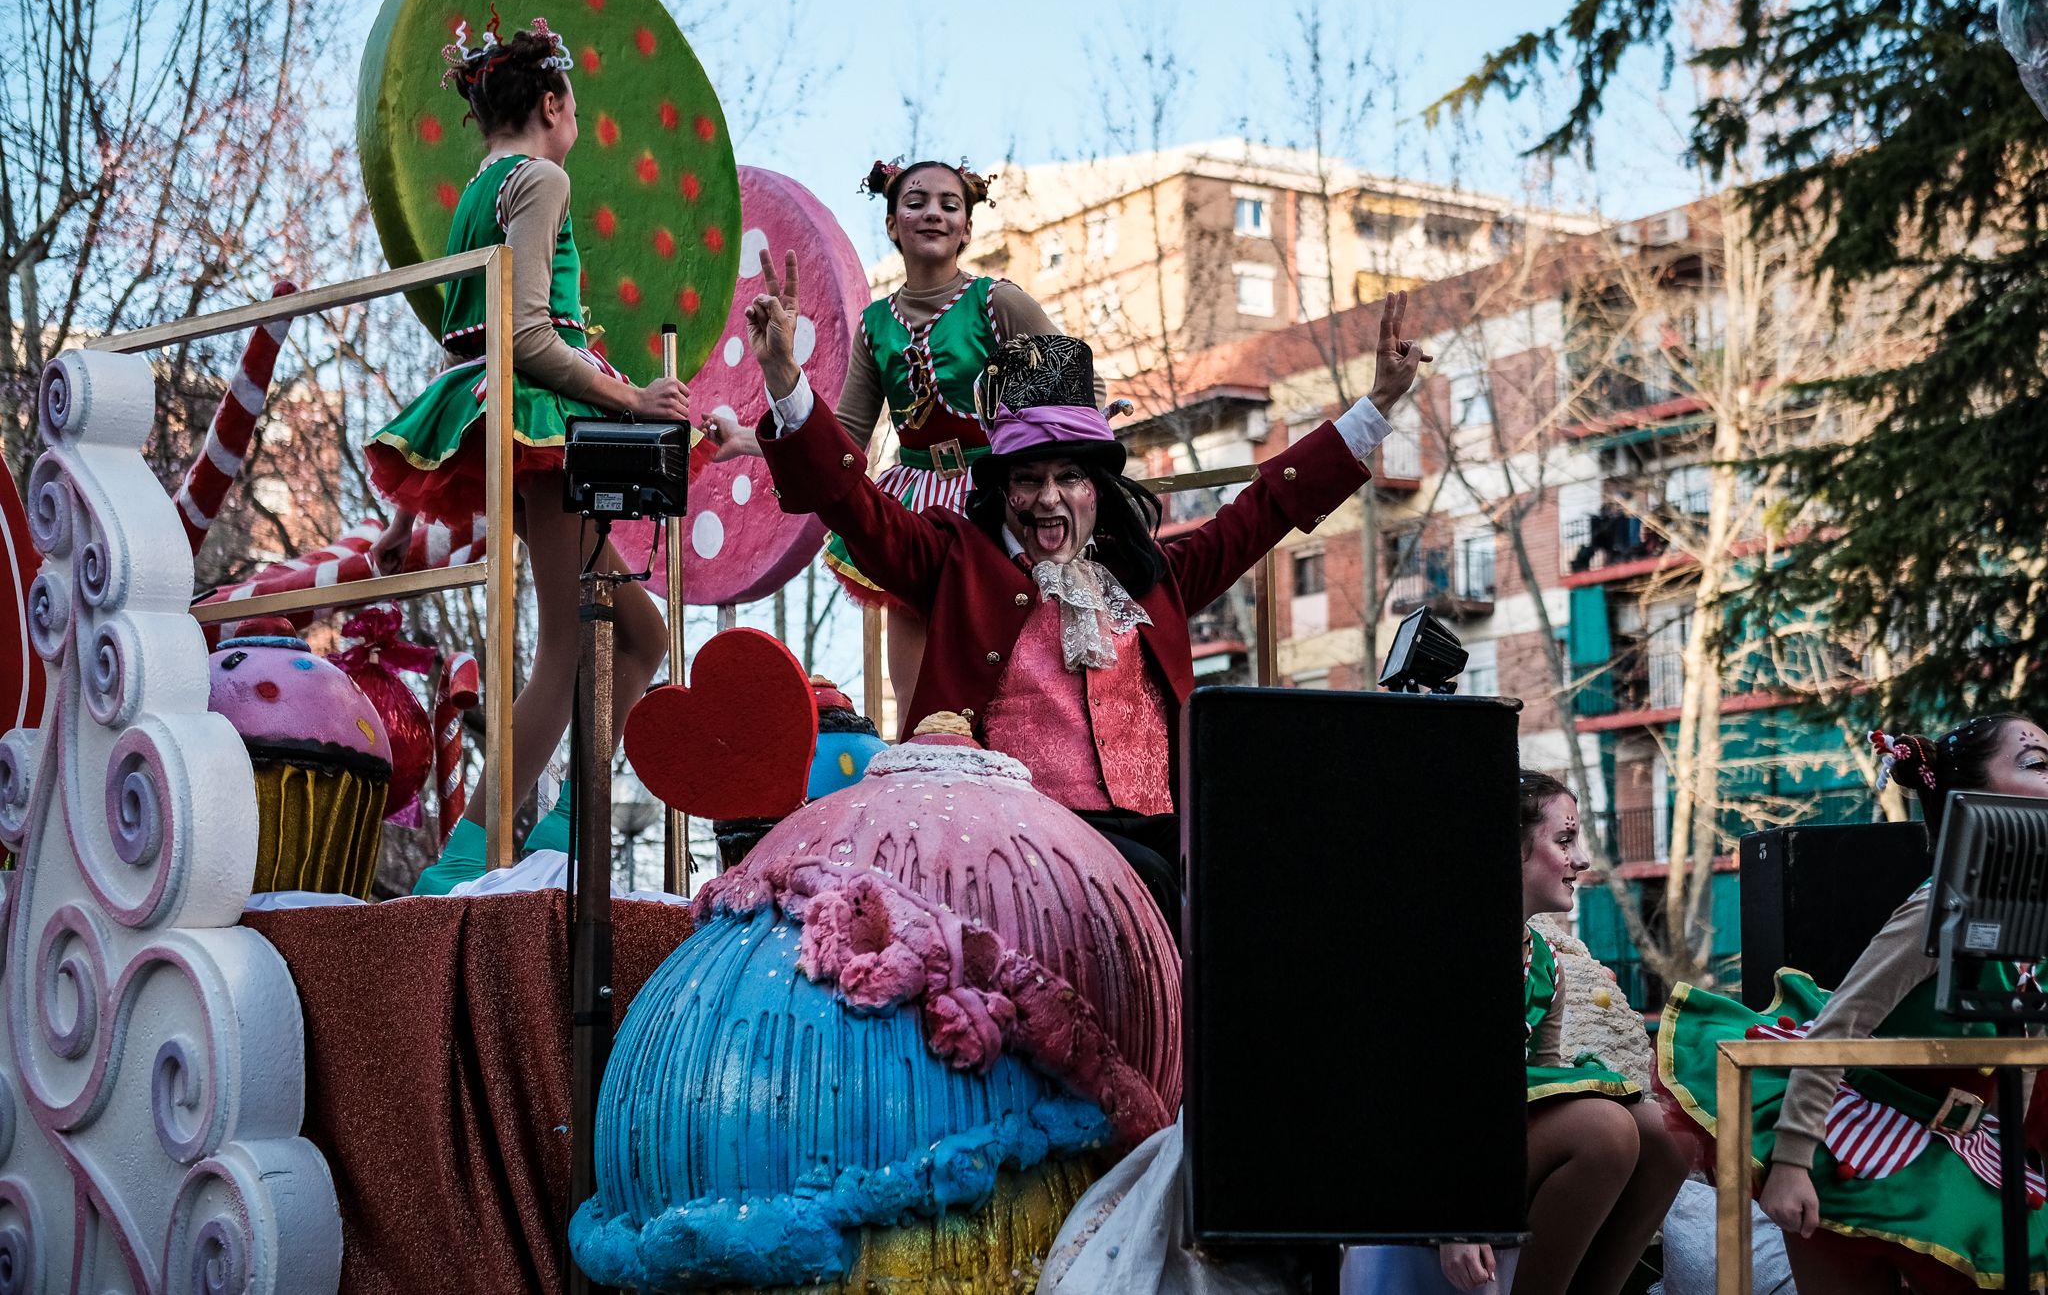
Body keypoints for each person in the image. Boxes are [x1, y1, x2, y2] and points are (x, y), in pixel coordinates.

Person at [713, 252, 1427, 914]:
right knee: (1140, 886)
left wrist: (1376, 408)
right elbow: (852, 503)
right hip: (1014, 858)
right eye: (1028, 479)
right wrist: (786, 381)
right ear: (1004, 489)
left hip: (1159, 853)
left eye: (1069, 478)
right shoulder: (953, 562)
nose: (1048, 499)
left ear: (1097, 489)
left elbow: (1263, 511)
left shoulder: (1150, 580)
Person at [361, 15, 689, 893]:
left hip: (504, 425)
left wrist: (401, 517)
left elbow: (464, 348)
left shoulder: (477, 190)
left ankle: (562, 823)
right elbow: (526, 335)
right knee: (568, 646)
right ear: (551, 103)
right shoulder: (542, 176)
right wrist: (634, 397)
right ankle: (476, 846)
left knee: (640, 634)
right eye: (574, 107)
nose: (575, 124)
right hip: (544, 432)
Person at [1659, 714, 2048, 1294]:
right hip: (1846, 1136)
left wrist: (2012, 1155)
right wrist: (1791, 1163)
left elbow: (2022, 1056)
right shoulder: (1933, 913)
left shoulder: (2027, 918)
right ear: (1972, 796)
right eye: (2037, 763)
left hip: (1953, 1143)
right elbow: (1840, 1026)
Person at [707, 159, 1060, 706]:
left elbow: (1076, 386)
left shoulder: (998, 303)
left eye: (950, 204)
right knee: (916, 692)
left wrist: (1069, 473)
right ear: (893, 223)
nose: (933, 213)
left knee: (1004, 680)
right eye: (916, 202)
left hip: (993, 502)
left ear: (967, 227)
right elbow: (843, 438)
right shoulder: (876, 325)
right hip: (914, 504)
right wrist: (748, 439)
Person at [1418, 772, 1688, 1295]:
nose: (1582, 859)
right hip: (1434, 1158)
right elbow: (1416, 1091)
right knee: (1601, 1130)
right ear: (1505, 846)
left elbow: (1545, 1081)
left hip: (1495, 1141)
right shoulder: (1441, 951)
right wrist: (1454, 1210)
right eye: (1565, 840)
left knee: (1667, 1136)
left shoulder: (1545, 963)